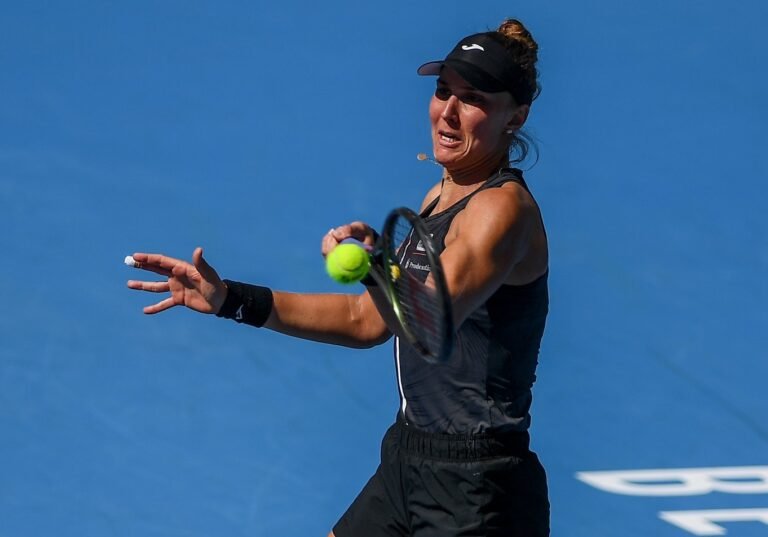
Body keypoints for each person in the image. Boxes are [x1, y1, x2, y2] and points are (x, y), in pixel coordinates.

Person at [127, 18, 550, 537]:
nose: (448, 112)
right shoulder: (440, 196)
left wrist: (376, 268)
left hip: (476, 492)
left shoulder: (500, 212)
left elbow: (431, 323)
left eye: (474, 99)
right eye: (443, 91)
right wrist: (230, 299)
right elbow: (367, 320)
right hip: (408, 460)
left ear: (516, 116)